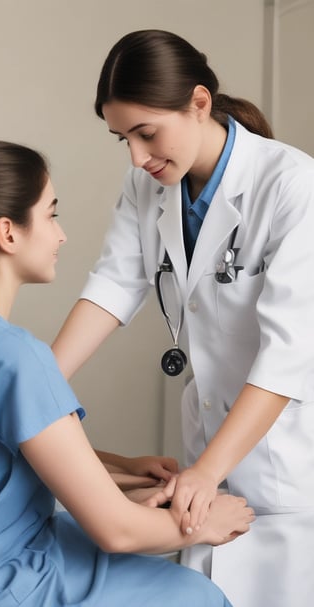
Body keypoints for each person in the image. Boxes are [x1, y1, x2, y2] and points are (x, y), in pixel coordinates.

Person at [51, 29, 314, 607]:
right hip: (208, 450)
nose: (137, 157)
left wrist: (206, 471)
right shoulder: (147, 185)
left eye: (146, 134)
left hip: (286, 456)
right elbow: (114, 286)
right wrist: (37, 384)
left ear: (199, 102)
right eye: (122, 138)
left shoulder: (292, 184)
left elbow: (287, 353)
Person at [0, 141, 255, 606]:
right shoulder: (13, 355)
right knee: (195, 595)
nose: (61, 235)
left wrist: (125, 473)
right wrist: (204, 523)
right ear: (8, 233)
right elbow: (116, 532)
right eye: (51, 215)